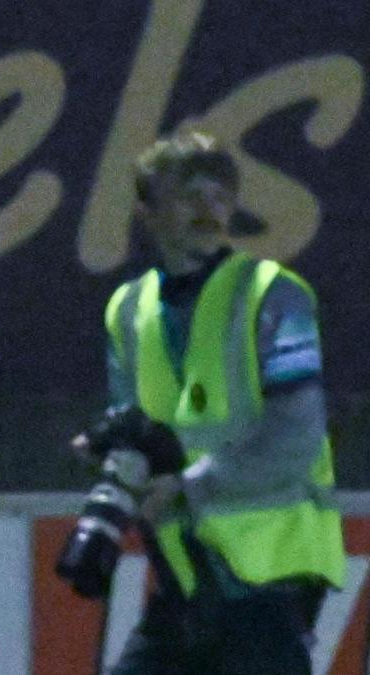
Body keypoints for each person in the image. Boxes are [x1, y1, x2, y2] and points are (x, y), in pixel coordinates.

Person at [91, 131, 345, 674]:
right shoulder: (128, 309)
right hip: (186, 579)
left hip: (270, 583)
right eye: (189, 195)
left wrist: (187, 489)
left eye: (220, 195)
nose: (209, 209)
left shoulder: (274, 291)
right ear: (147, 209)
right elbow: (135, 434)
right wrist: (113, 492)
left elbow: (296, 439)